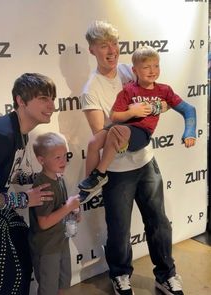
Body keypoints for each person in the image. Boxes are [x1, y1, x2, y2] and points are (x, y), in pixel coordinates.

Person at [80, 20, 186, 295]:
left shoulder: (130, 69)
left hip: (146, 162)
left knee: (159, 223)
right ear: (92, 50)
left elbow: (157, 95)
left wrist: (159, 104)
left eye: (114, 44)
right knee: (119, 230)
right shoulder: (91, 89)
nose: (112, 50)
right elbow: (99, 133)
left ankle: (166, 275)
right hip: (117, 171)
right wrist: (127, 117)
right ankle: (119, 275)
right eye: (104, 45)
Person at [0, 73, 57, 295]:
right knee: (9, 276)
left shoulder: (20, 132)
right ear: (21, 101)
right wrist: (23, 199)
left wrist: (39, 177)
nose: (52, 105)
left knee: (21, 255)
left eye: (52, 98)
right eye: (43, 98)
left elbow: (5, 174)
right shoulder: (0, 135)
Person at [79, 45, 196, 196]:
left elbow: (189, 110)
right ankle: (89, 187)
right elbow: (115, 116)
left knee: (116, 130)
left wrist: (190, 133)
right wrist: (132, 112)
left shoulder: (164, 90)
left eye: (156, 66)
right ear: (134, 71)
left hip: (142, 133)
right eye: (147, 67)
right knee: (94, 142)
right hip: (123, 128)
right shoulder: (129, 89)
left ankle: (100, 175)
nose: (152, 71)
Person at [29, 132, 81, 295]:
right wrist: (67, 207)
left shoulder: (59, 178)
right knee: (48, 289)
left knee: (63, 284)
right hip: (47, 248)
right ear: (41, 160)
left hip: (61, 241)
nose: (64, 161)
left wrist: (72, 212)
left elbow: (60, 209)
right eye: (57, 157)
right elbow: (44, 222)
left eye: (65, 156)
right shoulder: (43, 185)